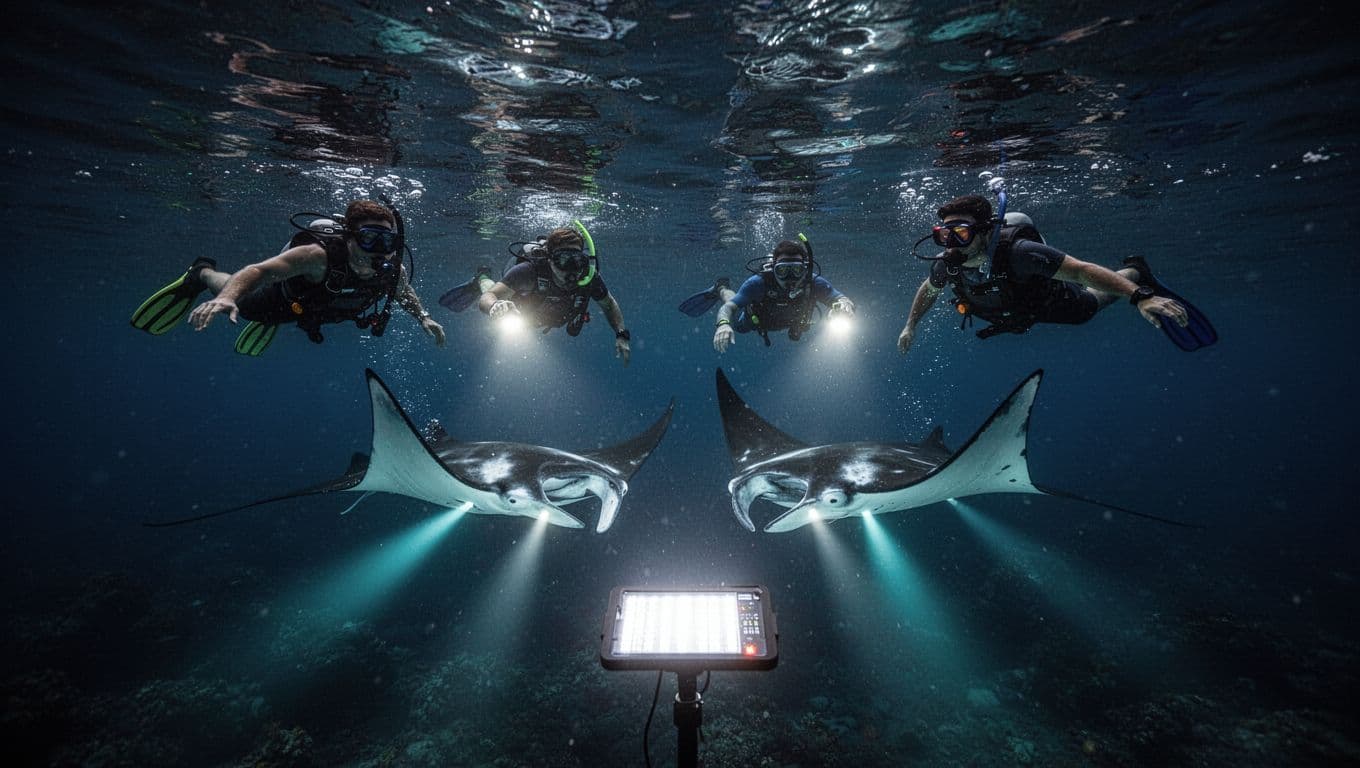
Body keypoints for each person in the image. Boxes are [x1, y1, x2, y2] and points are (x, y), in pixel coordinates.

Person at [897, 194, 1216, 355]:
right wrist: (911, 325)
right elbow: (929, 289)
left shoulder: (1020, 253)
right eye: (944, 235)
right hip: (1012, 314)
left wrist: (1139, 296)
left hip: (1047, 302)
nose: (951, 243)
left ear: (983, 232)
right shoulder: (946, 264)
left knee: (1085, 310)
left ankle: (1135, 272)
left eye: (961, 233)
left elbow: (1081, 271)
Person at [130, 199, 445, 356]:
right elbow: (260, 271)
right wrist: (227, 297)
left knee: (297, 315)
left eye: (387, 241)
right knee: (249, 308)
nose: (379, 250)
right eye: (369, 239)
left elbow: (403, 292)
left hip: (315, 311)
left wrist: (424, 318)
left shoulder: (392, 270)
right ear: (350, 237)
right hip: (280, 299)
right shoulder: (317, 256)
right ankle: (201, 274)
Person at [439, 222, 632, 366]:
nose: (572, 269)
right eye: (563, 260)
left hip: (546, 317)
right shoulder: (528, 271)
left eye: (577, 260)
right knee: (494, 290)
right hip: (518, 310)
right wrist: (495, 305)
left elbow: (609, 304)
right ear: (550, 259)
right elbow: (489, 297)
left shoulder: (588, 277)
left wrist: (621, 334)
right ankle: (481, 278)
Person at [678, 238, 856, 353]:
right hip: (755, 321)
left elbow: (841, 299)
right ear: (773, 269)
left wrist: (844, 306)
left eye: (796, 270)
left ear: (805, 270)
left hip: (792, 323)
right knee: (738, 325)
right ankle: (721, 288)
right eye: (783, 271)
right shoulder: (758, 283)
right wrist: (723, 324)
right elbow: (729, 308)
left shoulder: (813, 282)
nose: (790, 278)